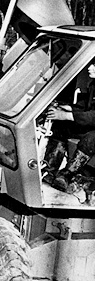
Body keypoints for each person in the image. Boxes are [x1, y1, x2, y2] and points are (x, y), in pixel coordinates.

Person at [46, 60, 95, 191]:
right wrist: (63, 107)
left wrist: (64, 115)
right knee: (60, 128)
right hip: (91, 125)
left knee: (91, 138)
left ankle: (67, 174)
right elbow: (84, 107)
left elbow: (93, 116)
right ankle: (50, 169)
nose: (89, 67)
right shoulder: (93, 85)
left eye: (94, 65)